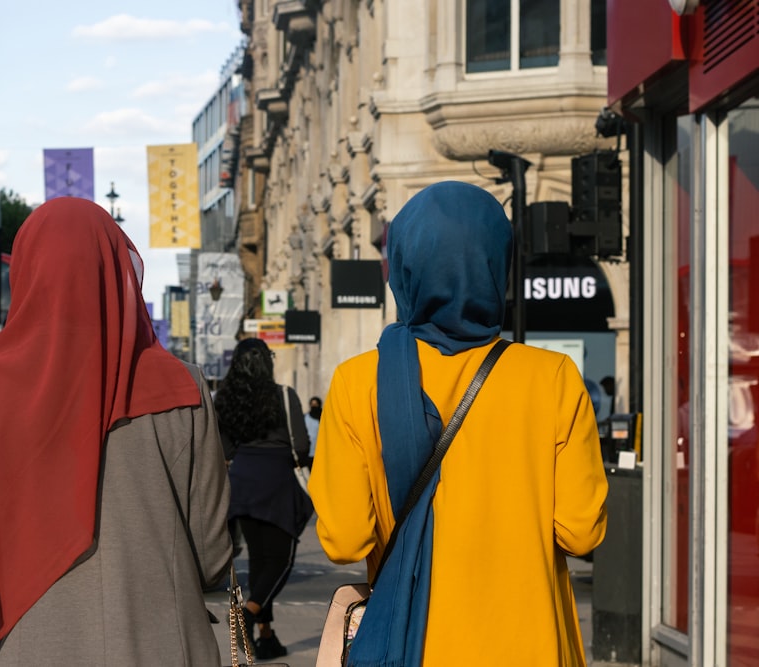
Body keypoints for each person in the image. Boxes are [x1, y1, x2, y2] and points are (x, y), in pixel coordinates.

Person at [0, 197, 232, 665]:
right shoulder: (182, 388)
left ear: (25, 272)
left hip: (16, 649)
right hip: (157, 645)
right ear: (116, 270)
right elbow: (212, 556)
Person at [308, 181, 608, 667]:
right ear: (497, 266)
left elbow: (344, 539)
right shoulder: (553, 378)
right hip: (530, 645)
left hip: (413, 647)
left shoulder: (357, 382)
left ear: (403, 271)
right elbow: (581, 533)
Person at [214, 338, 313, 660]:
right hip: (277, 482)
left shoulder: (226, 401)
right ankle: (250, 612)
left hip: (241, 482)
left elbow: (225, 450)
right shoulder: (284, 395)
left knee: (259, 560)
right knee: (281, 561)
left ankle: (265, 635)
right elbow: (300, 446)